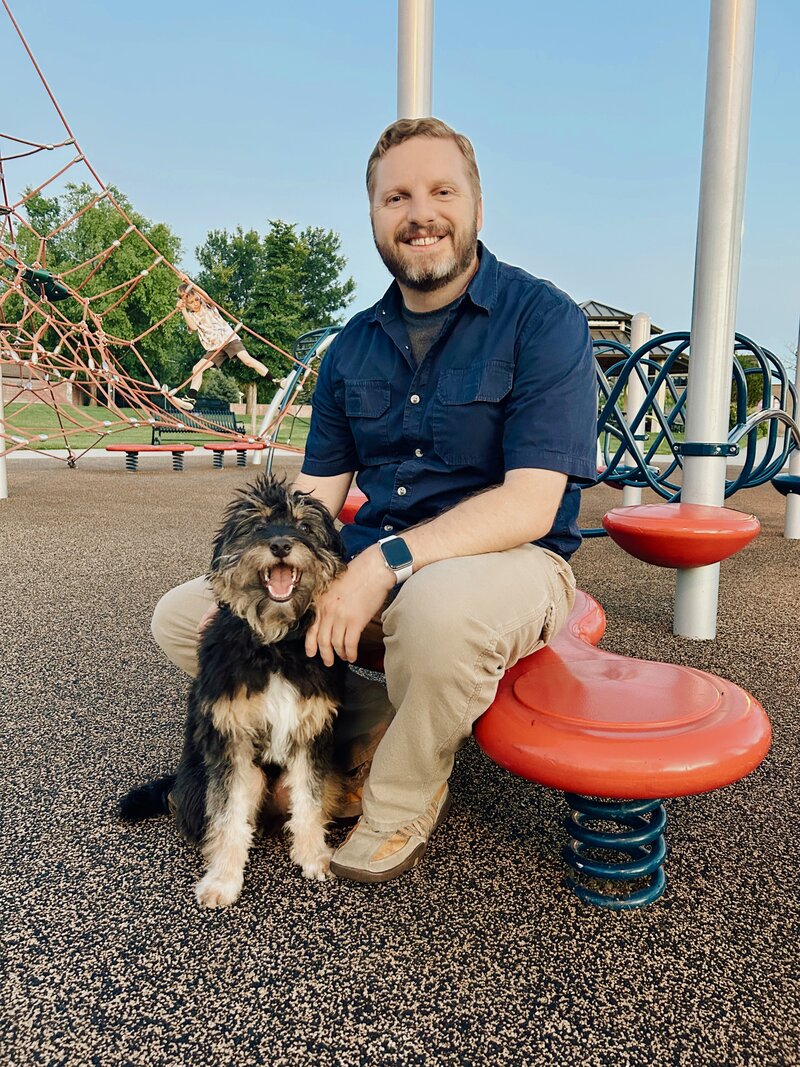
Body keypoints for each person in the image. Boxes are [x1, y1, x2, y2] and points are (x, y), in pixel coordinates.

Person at [151, 117, 598, 883]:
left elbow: (530, 503)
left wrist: (386, 562)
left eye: (440, 190)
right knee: (188, 613)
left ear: (477, 207)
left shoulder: (543, 320)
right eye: (397, 196)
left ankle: (398, 801)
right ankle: (370, 725)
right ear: (375, 217)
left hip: (508, 563)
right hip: (373, 562)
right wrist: (268, 562)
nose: (419, 212)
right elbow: (313, 496)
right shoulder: (353, 345)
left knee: (438, 612)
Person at [171, 283, 274, 411]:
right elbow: (193, 327)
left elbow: (205, 295)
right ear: (186, 304)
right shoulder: (191, 315)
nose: (195, 303)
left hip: (228, 339)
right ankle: (191, 399)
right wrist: (182, 310)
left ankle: (275, 379)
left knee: (247, 360)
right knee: (197, 368)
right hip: (215, 348)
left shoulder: (206, 305)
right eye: (191, 302)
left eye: (196, 299)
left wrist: (190, 283)